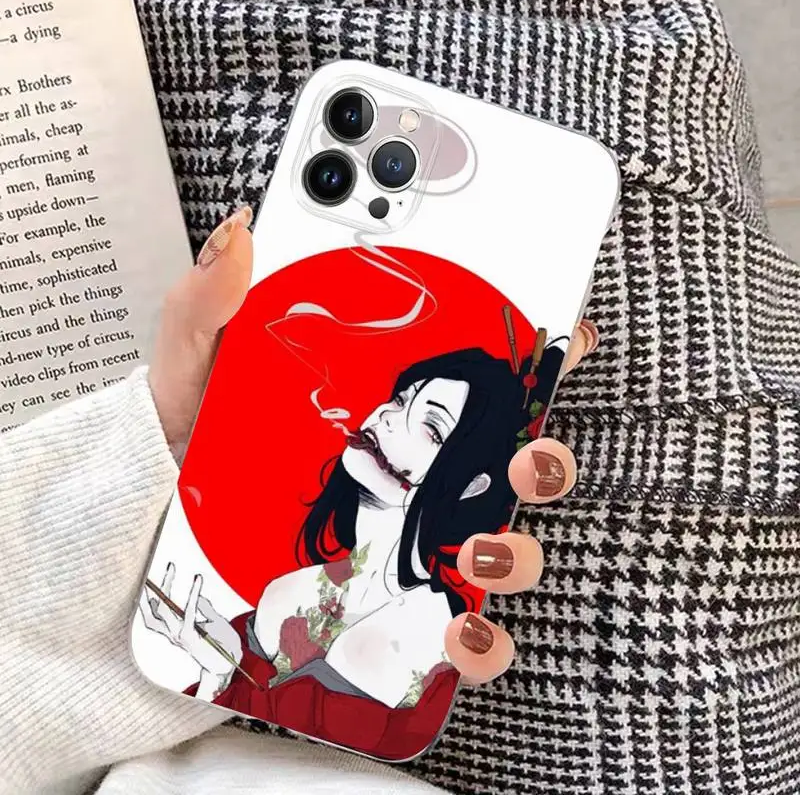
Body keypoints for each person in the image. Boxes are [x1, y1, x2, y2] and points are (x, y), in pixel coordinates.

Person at [0, 211, 592, 795]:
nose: (387, 417)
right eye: (400, 399)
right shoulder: (290, 591)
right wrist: (217, 668)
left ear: (470, 485)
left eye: (431, 428)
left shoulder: (430, 622)